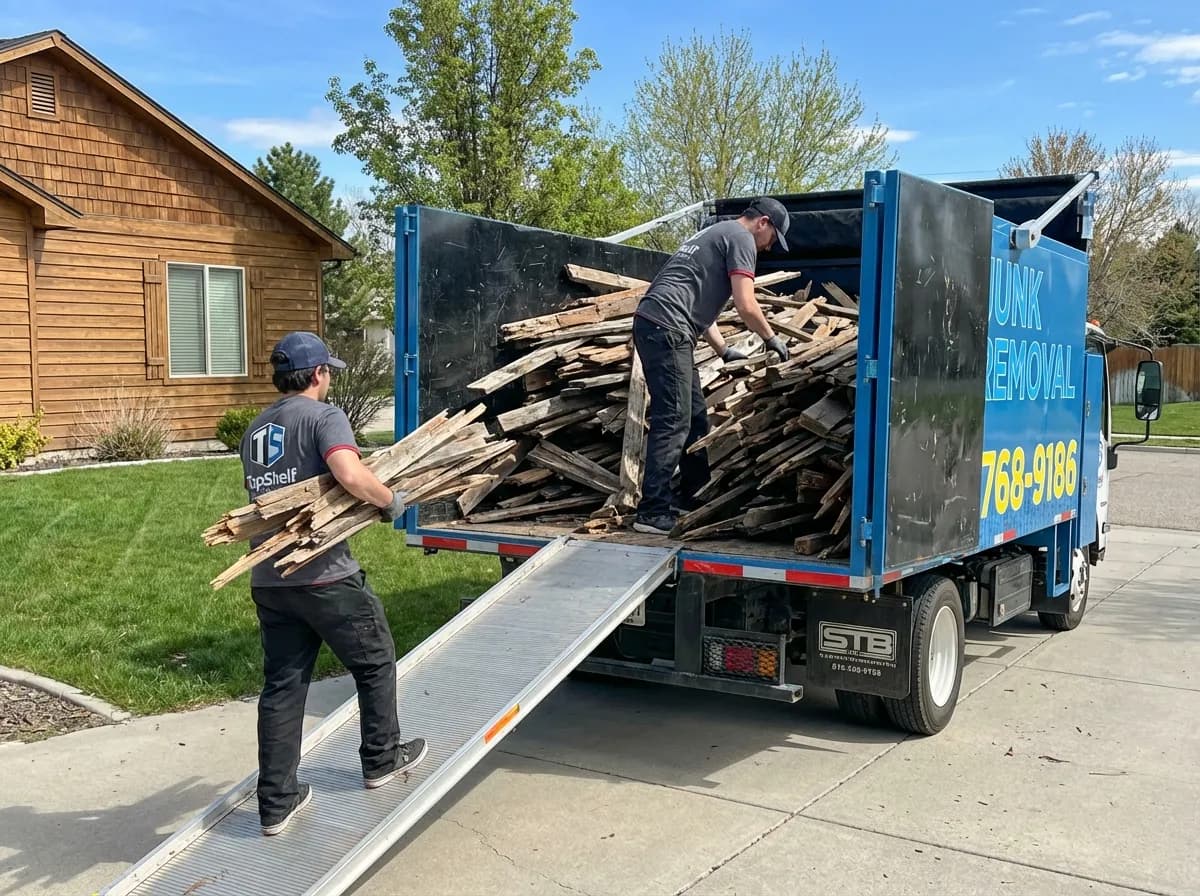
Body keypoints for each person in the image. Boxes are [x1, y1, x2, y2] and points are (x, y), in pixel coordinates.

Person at [238, 331, 427, 837]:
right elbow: (348, 472)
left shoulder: (255, 429)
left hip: (270, 577)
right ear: (318, 374)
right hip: (324, 574)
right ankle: (381, 760)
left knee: (283, 685)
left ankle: (277, 803)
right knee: (375, 659)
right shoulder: (324, 417)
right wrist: (388, 501)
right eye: (329, 372)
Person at [632, 198, 792, 536]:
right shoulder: (742, 239)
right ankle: (651, 512)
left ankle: (690, 497)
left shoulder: (716, 232)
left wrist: (723, 351)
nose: (769, 247)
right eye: (773, 238)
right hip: (668, 327)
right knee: (673, 418)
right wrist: (771, 338)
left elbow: (696, 303)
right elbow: (746, 304)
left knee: (693, 417)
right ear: (763, 222)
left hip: (662, 322)